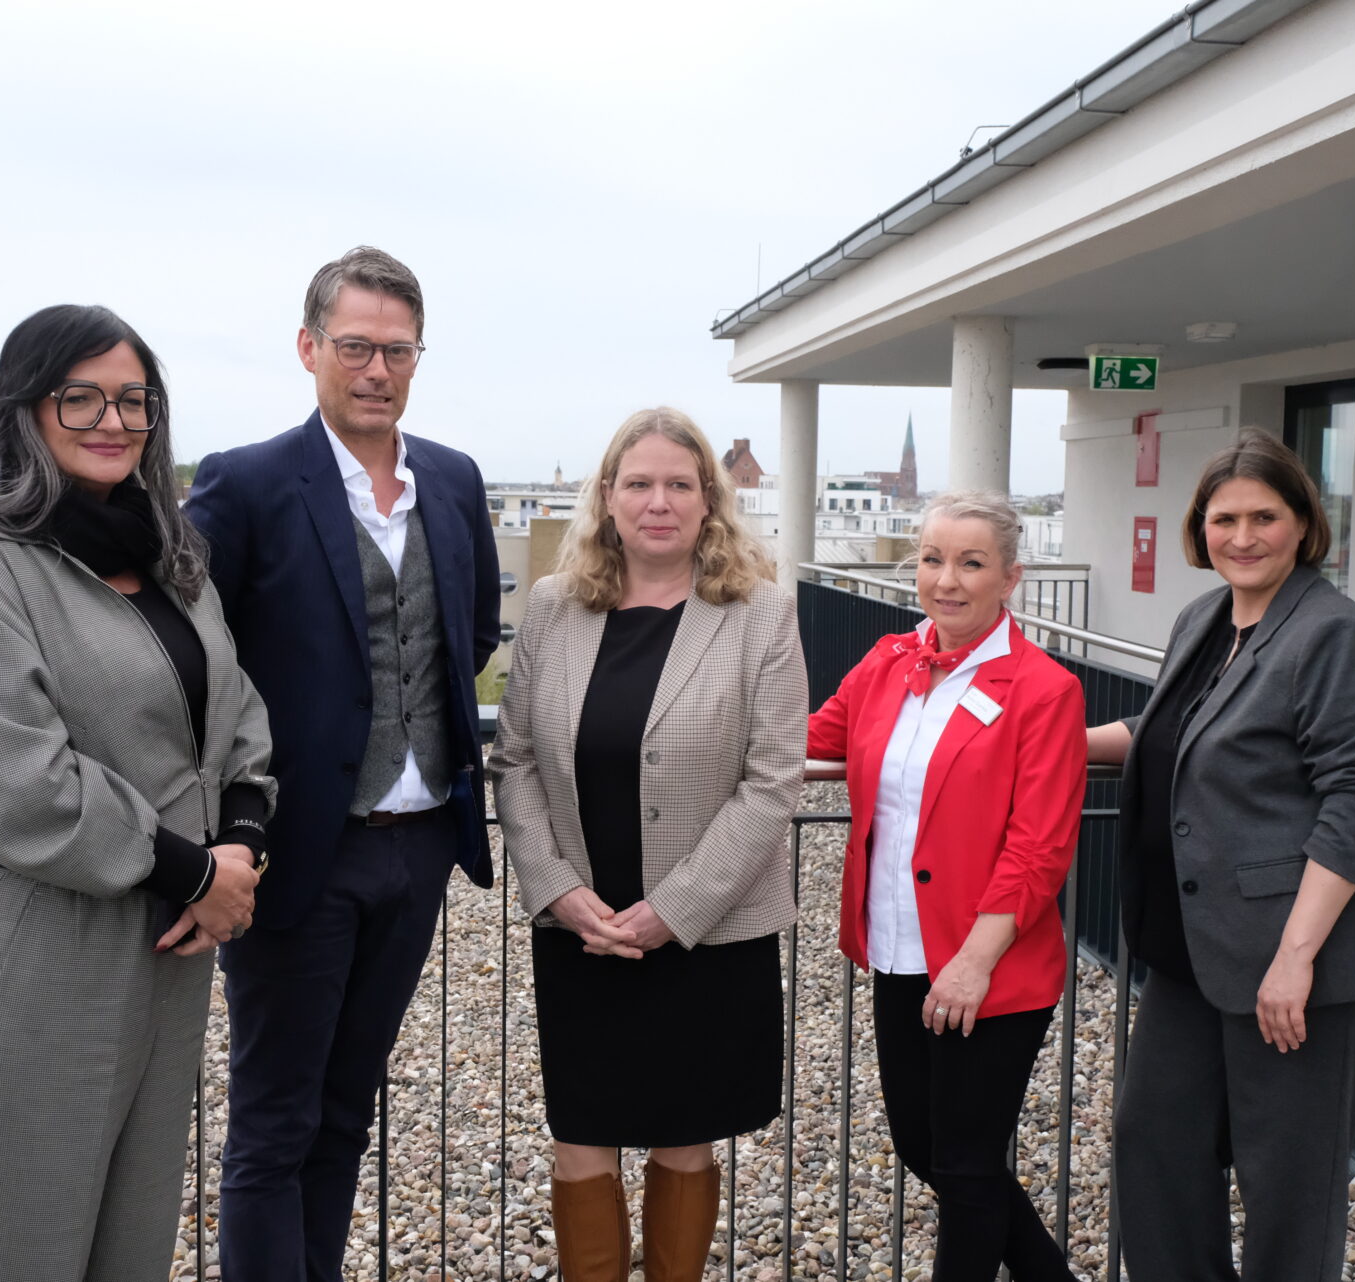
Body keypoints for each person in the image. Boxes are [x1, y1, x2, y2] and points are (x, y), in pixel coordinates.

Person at [0, 304, 275, 1282]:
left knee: (130, 1250)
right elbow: (19, 782)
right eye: (83, 396)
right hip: (39, 950)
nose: (113, 419)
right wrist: (197, 874)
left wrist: (240, 844)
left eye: (134, 400)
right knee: (17, 1247)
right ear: (25, 408)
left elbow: (238, 719)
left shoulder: (168, 558)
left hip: (166, 950)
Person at [185, 245, 500, 1281]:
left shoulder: (451, 480)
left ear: (418, 356)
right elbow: (193, 653)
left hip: (416, 853)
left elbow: (474, 628)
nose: (377, 368)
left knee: (344, 1114)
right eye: (356, 345)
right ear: (310, 347)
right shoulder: (247, 481)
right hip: (294, 851)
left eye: (396, 350)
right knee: (273, 1123)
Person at [1088, 429, 1355, 1281]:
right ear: (1200, 526)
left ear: (1305, 524)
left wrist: (1295, 958)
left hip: (1300, 957)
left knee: (1287, 1180)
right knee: (1153, 1139)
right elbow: (1166, 732)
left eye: (1264, 517)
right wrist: (1047, 742)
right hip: (1197, 951)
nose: (1242, 536)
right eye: (1223, 517)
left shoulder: (1332, 635)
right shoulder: (1203, 619)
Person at [490, 407, 804, 1282]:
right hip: (583, 926)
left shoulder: (759, 614)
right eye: (638, 483)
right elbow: (511, 759)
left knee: (684, 1141)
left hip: (701, 933)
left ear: (710, 501)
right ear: (607, 498)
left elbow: (773, 778)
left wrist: (675, 911)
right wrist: (554, 888)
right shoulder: (555, 609)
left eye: (678, 484)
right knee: (580, 1140)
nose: (657, 501)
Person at [805, 491, 1084, 1282]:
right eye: (932, 558)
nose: (946, 580)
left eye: (970, 563)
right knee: (924, 1147)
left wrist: (973, 960)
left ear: (1011, 578)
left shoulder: (1045, 689)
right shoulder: (889, 660)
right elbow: (813, 737)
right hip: (897, 948)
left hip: (989, 968)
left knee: (964, 1162)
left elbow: (1039, 848)